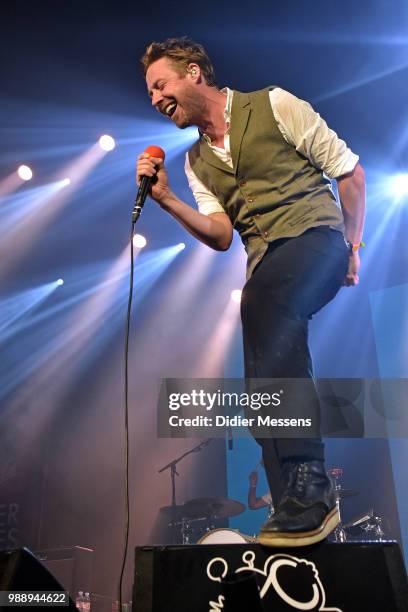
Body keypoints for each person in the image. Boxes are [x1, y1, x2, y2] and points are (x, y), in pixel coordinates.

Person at [137, 37, 365, 547]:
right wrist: (168, 197)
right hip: (267, 270)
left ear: (194, 73)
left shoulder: (274, 105)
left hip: (318, 238)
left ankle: (311, 480)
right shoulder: (196, 163)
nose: (154, 99)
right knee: (258, 367)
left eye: (161, 84)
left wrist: (353, 247)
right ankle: (293, 502)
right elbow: (221, 236)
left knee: (266, 303)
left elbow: (350, 173)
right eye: (149, 92)